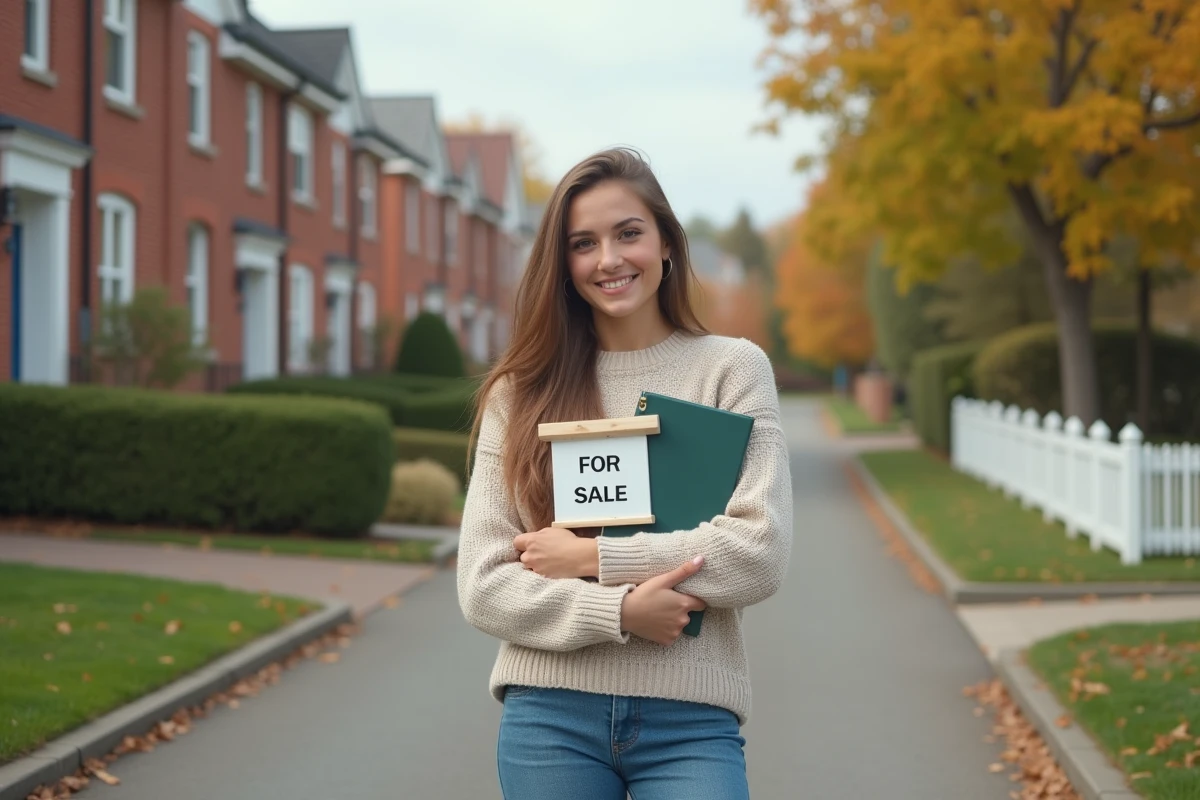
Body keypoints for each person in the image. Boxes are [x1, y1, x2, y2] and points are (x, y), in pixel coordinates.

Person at [456, 147, 793, 799]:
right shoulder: (519, 391)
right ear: (564, 263)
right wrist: (621, 612)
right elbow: (483, 584)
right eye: (584, 243)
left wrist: (594, 556)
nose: (608, 259)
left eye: (628, 233)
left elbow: (760, 554)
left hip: (691, 720)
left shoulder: (732, 370)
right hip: (549, 717)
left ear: (666, 241)